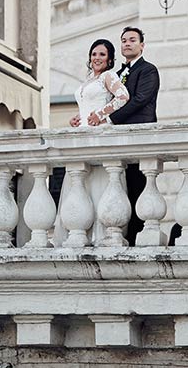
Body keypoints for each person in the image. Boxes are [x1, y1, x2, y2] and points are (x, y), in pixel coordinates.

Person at [54, 39, 130, 246]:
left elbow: (123, 96)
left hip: (98, 133)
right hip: (83, 132)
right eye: (94, 54)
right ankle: (79, 230)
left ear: (110, 59)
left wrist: (101, 114)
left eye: (102, 55)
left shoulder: (108, 76)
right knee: (80, 181)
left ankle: (99, 233)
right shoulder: (88, 80)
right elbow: (87, 104)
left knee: (99, 181)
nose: (97, 58)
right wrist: (77, 117)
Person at [99, 26, 160, 246]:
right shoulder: (117, 74)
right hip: (118, 138)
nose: (127, 43)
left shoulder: (148, 70)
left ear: (142, 45)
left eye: (132, 40)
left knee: (138, 184)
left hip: (138, 136)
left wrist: (109, 119)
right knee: (118, 184)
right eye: (123, 40)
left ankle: (136, 234)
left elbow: (139, 100)